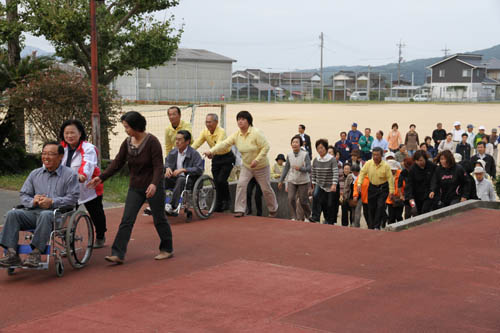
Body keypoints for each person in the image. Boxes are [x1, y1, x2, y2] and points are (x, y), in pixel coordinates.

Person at [88, 111, 173, 264]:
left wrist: (154, 184)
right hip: (135, 187)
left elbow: (158, 166)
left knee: (159, 218)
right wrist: (101, 178)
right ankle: (118, 254)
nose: (125, 130)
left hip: (153, 187)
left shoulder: (152, 142)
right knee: (127, 220)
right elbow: (117, 163)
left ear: (136, 126)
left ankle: (167, 249)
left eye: (127, 127)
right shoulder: (127, 143)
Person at [0, 142, 80, 268]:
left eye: (51, 154)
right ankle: (12, 254)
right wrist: (33, 201)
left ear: (60, 157)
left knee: (46, 214)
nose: (46, 157)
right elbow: (24, 194)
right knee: (12, 214)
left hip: (58, 216)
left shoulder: (70, 175)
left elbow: (73, 198)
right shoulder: (35, 174)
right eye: (44, 153)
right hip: (33, 213)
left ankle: (36, 253)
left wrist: (52, 201)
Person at [205, 110, 278, 218]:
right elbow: (224, 144)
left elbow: (266, 147)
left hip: (261, 166)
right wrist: (212, 151)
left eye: (243, 119)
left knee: (266, 189)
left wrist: (257, 160)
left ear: (249, 121)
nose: (240, 121)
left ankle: (273, 209)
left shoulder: (256, 133)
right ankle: (240, 209)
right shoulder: (236, 135)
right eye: (238, 119)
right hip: (247, 166)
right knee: (241, 185)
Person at [60, 120, 107, 248]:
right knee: (64, 215)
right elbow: (51, 161)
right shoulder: (60, 148)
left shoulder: (88, 148)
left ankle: (101, 236)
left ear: (80, 133)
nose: (69, 136)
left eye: (72, 133)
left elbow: (88, 164)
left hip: (88, 187)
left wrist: (83, 176)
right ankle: (67, 241)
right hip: (67, 188)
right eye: (66, 133)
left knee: (96, 213)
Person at [192, 113, 235, 212]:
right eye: (206, 122)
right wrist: (188, 151)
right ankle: (218, 204)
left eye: (210, 122)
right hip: (216, 159)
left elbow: (219, 144)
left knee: (221, 180)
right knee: (216, 182)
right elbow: (197, 143)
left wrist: (211, 151)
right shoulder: (205, 132)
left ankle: (227, 200)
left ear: (216, 122)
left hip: (227, 158)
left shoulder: (221, 132)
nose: (207, 124)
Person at [164, 130, 204, 215]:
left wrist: (184, 170)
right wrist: (167, 168)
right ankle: (156, 204)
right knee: (161, 179)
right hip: (174, 178)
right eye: (176, 139)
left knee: (181, 179)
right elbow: (167, 162)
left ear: (187, 141)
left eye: (179, 140)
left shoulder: (194, 154)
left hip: (189, 180)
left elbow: (199, 169)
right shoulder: (173, 152)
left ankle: (172, 206)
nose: (177, 142)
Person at [356, 147, 394, 230]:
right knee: (371, 208)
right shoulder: (368, 163)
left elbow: (390, 179)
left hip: (383, 188)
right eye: (374, 155)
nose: (375, 157)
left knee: (380, 206)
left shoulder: (386, 166)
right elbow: (362, 173)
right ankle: (373, 225)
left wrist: (391, 191)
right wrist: (359, 184)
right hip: (372, 188)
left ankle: (377, 226)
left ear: (381, 155)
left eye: (377, 155)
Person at [278, 135, 312, 222]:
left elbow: (309, 168)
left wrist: (300, 168)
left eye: (297, 142)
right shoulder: (289, 155)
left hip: (303, 180)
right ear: (291, 144)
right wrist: (281, 180)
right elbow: (286, 168)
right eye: (293, 142)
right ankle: (294, 216)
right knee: (290, 198)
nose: (295, 144)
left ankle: (308, 215)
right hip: (292, 179)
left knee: (303, 200)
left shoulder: (305, 154)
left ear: (300, 144)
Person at [310, 139, 338, 224]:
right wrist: (313, 185)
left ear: (325, 148)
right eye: (318, 148)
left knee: (328, 203)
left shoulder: (332, 159)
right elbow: (313, 173)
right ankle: (315, 217)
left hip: (329, 184)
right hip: (319, 183)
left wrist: (334, 184)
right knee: (315, 196)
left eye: (322, 148)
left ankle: (328, 220)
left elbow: (335, 172)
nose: (320, 150)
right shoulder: (316, 160)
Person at [405, 150, 437, 216]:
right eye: (417, 160)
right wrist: (411, 199)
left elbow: (434, 179)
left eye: (421, 160)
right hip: (417, 195)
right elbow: (409, 185)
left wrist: (432, 190)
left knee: (425, 211)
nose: (419, 162)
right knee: (417, 213)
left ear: (425, 159)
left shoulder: (432, 166)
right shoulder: (412, 169)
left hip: (429, 194)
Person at [386, 160, 404, 224]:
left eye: (393, 169)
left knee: (399, 216)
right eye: (390, 169)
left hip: (399, 199)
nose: (392, 171)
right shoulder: (385, 175)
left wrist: (401, 195)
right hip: (390, 199)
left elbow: (404, 185)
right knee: (391, 218)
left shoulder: (401, 174)